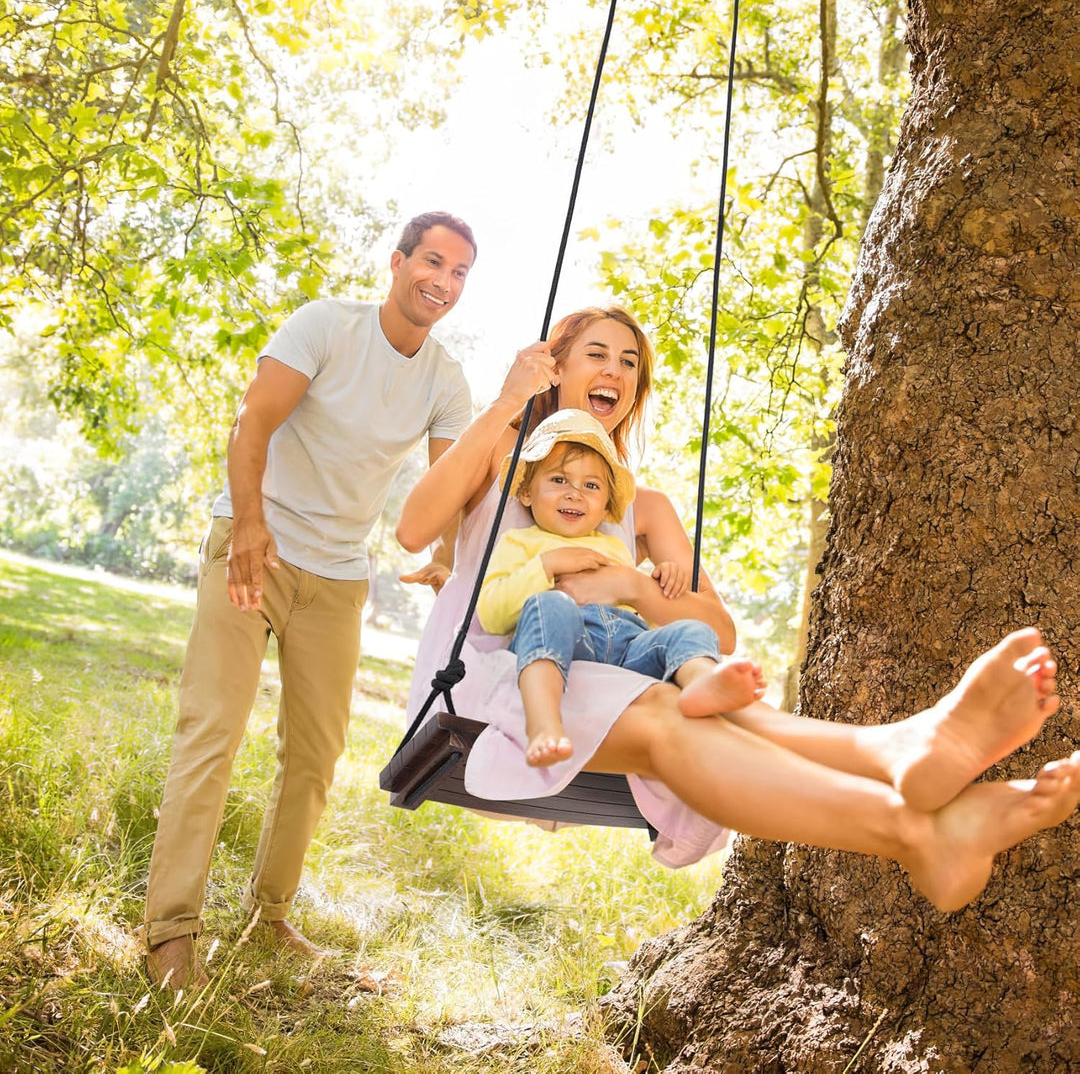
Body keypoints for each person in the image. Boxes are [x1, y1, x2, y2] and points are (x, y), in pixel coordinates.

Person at [397, 304, 1080, 913]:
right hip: (497, 673)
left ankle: (903, 760)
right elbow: (413, 528)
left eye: (630, 363)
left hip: (606, 669)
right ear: (554, 368)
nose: (616, 371)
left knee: (706, 701)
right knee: (674, 714)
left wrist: (634, 588)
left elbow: (717, 629)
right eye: (597, 355)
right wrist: (503, 404)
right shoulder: (500, 452)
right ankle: (913, 822)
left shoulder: (644, 507)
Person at [144, 211, 477, 989]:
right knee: (212, 733)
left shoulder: (445, 379)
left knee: (317, 753)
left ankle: (268, 914)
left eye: (461, 273)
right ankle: (170, 934)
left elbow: (452, 487)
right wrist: (251, 524)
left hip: (336, 575)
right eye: (433, 262)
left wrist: (446, 558)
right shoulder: (326, 326)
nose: (444, 282)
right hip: (253, 548)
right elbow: (252, 422)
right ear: (397, 264)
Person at [477, 406, 765, 766]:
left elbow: (637, 609)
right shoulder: (519, 543)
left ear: (604, 507)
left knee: (688, 629)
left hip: (627, 649)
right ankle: (544, 724)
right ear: (527, 493)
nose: (574, 494)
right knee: (550, 605)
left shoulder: (615, 547)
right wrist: (546, 565)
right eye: (559, 480)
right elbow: (491, 613)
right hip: (565, 640)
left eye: (591, 486)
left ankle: (703, 684)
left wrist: (661, 584)